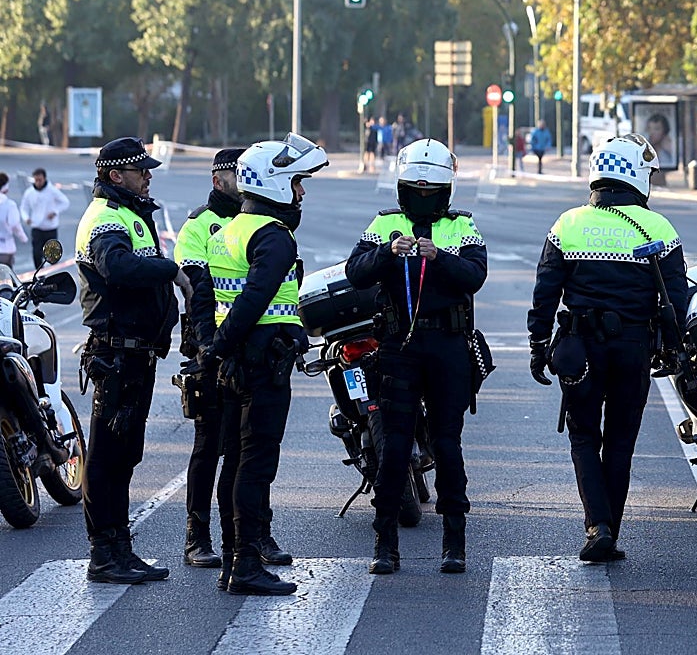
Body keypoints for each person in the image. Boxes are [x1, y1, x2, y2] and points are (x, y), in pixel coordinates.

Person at [528, 134, 688, 562]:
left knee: (583, 437)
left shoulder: (569, 223)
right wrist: (673, 350)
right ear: (636, 174)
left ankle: (596, 525)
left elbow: (545, 292)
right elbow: (676, 300)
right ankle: (609, 532)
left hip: (579, 349)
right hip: (632, 347)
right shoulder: (658, 227)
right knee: (619, 443)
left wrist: (538, 344)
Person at [193, 133, 328, 595]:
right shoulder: (273, 237)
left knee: (234, 461)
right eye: (296, 183)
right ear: (273, 184)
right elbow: (255, 299)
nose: (301, 193)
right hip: (261, 359)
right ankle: (246, 565)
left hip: (234, 361)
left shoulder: (225, 230)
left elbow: (206, 297)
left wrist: (214, 348)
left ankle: (235, 562)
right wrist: (222, 346)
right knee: (256, 464)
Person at [346, 139, 488, 575]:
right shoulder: (384, 223)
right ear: (401, 189)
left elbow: (476, 276)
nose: (423, 198)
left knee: (447, 443)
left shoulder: (463, 227)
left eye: (431, 191)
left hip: (447, 346)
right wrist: (386, 252)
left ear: (446, 191)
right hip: (399, 348)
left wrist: (439, 257)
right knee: (393, 446)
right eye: (415, 190)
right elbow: (355, 272)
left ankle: (454, 542)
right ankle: (384, 543)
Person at [173, 148, 294, 571]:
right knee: (211, 448)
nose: (239, 180)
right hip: (212, 347)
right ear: (216, 179)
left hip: (239, 346)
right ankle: (197, 535)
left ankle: (254, 533)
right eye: (232, 174)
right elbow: (196, 293)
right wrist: (209, 350)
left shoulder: (258, 223)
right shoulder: (199, 226)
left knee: (248, 452)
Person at [75, 137, 190, 584]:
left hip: (136, 356)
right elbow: (118, 270)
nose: (148, 176)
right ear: (115, 175)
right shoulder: (104, 218)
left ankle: (121, 549)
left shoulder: (129, 215)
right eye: (141, 170)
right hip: (116, 355)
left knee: (125, 457)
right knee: (106, 457)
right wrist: (171, 271)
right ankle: (104, 554)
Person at [21, 167, 71, 267]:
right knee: (36, 254)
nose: (38, 182)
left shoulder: (52, 190)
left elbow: (65, 202)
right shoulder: (29, 193)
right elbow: (23, 208)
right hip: (37, 228)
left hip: (50, 229)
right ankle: (40, 276)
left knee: (52, 256)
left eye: (40, 180)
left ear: (44, 178)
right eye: (36, 180)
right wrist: (26, 218)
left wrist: (55, 212)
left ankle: (52, 275)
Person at [0, 173, 27, 268]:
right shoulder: (9, 205)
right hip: (6, 248)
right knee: (6, 277)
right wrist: (23, 238)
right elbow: (15, 224)